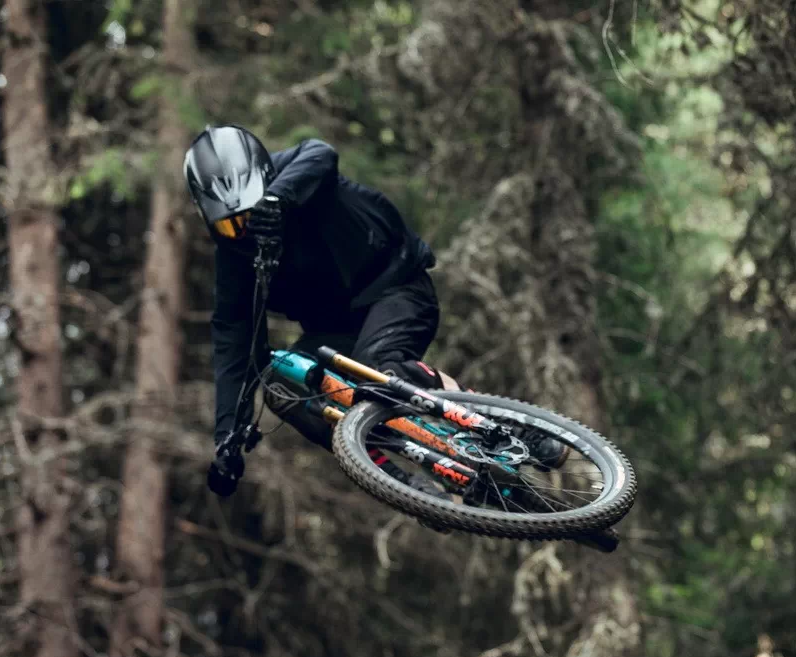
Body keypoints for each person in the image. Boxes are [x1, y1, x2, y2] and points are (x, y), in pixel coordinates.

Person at [183, 124, 563, 497]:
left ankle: (517, 428)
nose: (246, 231)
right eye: (232, 227)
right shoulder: (233, 264)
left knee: (380, 366)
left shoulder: (298, 175)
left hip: (395, 287)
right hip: (335, 329)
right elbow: (234, 347)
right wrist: (226, 441)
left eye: (251, 215)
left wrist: (279, 199)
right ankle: (404, 482)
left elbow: (321, 152)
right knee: (282, 385)